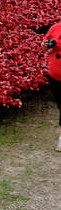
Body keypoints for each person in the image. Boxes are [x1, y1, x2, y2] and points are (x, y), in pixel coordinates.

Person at [41, 20, 61, 151]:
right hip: (55, 75)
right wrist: (47, 44)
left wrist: (58, 43)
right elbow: (42, 45)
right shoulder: (55, 27)